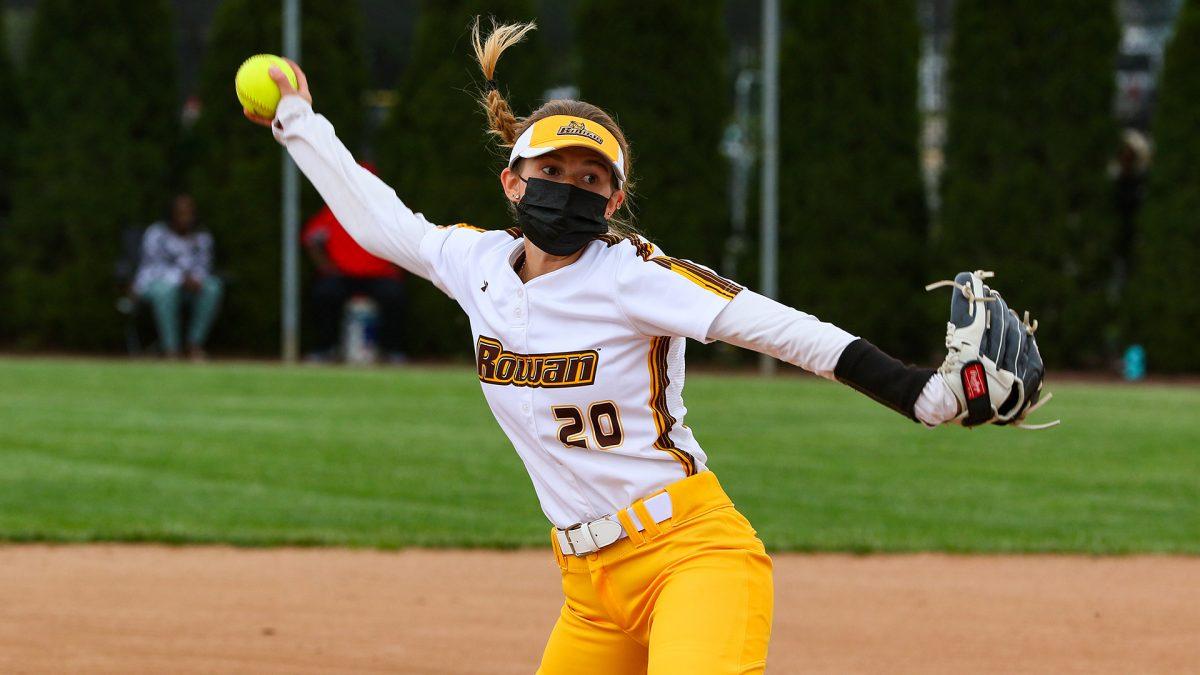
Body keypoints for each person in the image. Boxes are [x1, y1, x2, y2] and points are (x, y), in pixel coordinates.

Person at [244, 20, 1048, 674]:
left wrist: (922, 393)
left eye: (592, 178)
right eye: (551, 168)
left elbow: (775, 326)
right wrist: (298, 123)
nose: (571, 184)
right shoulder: (475, 262)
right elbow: (381, 220)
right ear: (512, 183)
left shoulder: (633, 275)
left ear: (615, 197)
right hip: (589, 591)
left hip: (692, 557)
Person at [302, 162, 408, 362]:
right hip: (343, 275)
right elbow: (311, 239)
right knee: (324, 293)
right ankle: (325, 349)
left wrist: (397, 264)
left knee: (394, 295)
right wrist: (325, 266)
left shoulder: (387, 209)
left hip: (379, 276)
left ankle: (392, 351)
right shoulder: (335, 208)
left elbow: (406, 239)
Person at [132, 193, 223, 360]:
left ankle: (194, 345)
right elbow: (152, 266)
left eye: (190, 213)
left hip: (189, 288)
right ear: (171, 214)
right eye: (181, 213)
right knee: (166, 291)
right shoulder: (156, 234)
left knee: (212, 287)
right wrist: (180, 279)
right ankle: (171, 349)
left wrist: (196, 279)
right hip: (154, 285)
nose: (186, 218)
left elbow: (204, 266)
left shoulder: (202, 237)